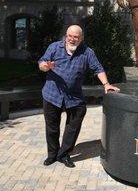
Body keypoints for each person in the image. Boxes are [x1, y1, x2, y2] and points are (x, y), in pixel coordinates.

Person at [38, 25, 119, 168]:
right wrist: (45, 66)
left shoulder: (87, 53)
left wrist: (106, 84)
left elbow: (98, 68)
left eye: (76, 37)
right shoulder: (54, 47)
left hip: (74, 97)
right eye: (70, 36)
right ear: (66, 35)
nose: (72, 39)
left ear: (81, 38)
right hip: (52, 95)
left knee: (75, 122)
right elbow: (42, 63)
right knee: (52, 128)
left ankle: (63, 154)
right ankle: (52, 155)